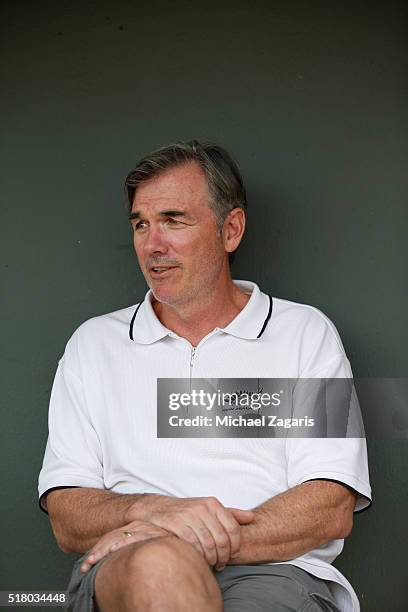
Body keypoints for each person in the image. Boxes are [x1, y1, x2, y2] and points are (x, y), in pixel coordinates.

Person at [38, 140, 371, 612]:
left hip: (273, 573)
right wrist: (151, 515)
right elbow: (67, 516)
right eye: (141, 224)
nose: (153, 244)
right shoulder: (93, 345)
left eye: (174, 220)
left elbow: (328, 507)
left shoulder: (303, 334)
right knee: (159, 568)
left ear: (230, 229)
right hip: (130, 566)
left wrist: (186, 535)